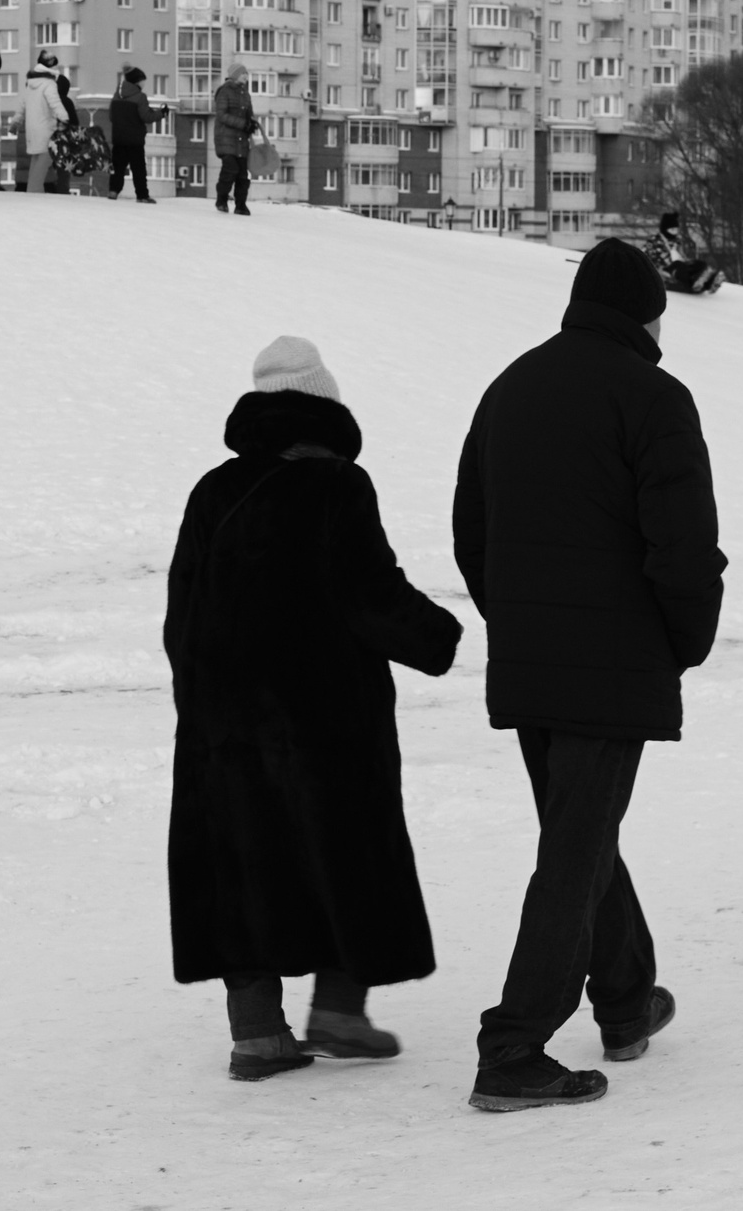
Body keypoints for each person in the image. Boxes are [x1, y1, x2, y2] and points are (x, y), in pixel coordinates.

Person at [451, 239, 725, 1113]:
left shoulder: (511, 386)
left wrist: (519, 624)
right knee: (574, 847)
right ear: (648, 314)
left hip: (533, 659)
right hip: (611, 663)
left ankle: (626, 1000)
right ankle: (514, 1046)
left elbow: (472, 529)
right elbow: (683, 546)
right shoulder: (654, 396)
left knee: (583, 830)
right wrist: (680, 641)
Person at [165, 336, 461, 1082]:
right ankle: (338, 1014)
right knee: (347, 852)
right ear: (325, 411)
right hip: (325, 720)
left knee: (242, 861)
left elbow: (181, 613)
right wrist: (443, 635)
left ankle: (257, 1035)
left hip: (224, 723)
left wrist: (204, 705)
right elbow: (371, 597)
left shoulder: (213, 490)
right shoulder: (337, 488)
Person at [107, 65, 164, 203]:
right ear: (136, 81)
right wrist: (162, 113)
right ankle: (142, 195)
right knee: (138, 168)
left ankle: (113, 191)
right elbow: (147, 117)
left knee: (118, 166)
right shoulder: (140, 97)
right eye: (142, 80)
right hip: (134, 139)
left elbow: (110, 116)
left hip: (119, 138)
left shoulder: (116, 96)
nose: (144, 83)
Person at [213, 64, 260, 215]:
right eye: (242, 74)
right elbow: (222, 115)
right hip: (225, 138)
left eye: (246, 74)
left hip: (241, 141)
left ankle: (241, 205)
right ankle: (221, 200)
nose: (246, 76)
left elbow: (249, 114)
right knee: (230, 170)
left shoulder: (245, 94)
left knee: (242, 174)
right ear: (234, 75)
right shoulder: (224, 91)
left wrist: (252, 124)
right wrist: (243, 124)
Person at [19, 50, 66, 194]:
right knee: (45, 159)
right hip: (46, 127)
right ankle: (35, 192)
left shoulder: (30, 84)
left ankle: (31, 191)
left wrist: (16, 120)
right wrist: (64, 118)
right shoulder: (49, 84)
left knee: (36, 160)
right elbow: (55, 103)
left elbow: (22, 104)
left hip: (32, 128)